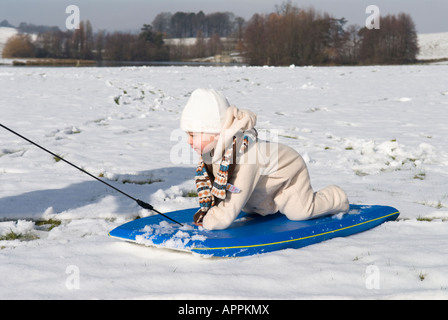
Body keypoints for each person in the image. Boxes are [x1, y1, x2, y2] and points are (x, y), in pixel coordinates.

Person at [180, 88, 349, 230]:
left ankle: (335, 197)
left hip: (289, 174)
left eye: (193, 135)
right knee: (251, 207)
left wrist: (215, 219)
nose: (188, 141)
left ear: (215, 133)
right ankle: (269, 204)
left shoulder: (249, 155)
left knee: (300, 212)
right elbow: (219, 184)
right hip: (266, 181)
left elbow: (236, 192)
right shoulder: (217, 153)